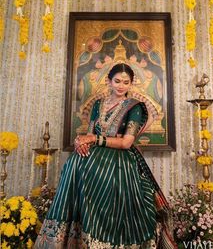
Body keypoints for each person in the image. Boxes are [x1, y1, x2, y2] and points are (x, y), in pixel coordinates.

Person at [34, 63, 176, 249]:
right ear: (109, 81)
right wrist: (81, 142)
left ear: (131, 84)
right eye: (117, 81)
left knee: (107, 193)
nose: (121, 85)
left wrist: (94, 138)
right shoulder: (98, 104)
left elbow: (126, 142)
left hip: (119, 162)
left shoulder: (135, 107)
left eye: (126, 82)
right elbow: (90, 133)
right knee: (73, 166)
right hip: (91, 158)